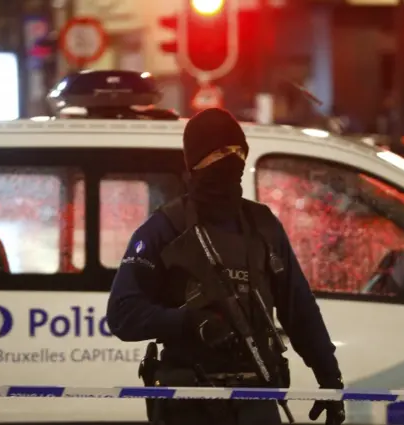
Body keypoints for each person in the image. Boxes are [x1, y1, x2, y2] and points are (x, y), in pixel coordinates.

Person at [106, 108, 346, 425]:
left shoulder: (263, 226)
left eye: (238, 150)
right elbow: (122, 313)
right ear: (196, 161)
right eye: (220, 151)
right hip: (189, 401)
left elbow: (299, 309)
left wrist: (330, 381)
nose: (232, 158)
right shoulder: (165, 228)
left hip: (256, 398)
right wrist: (187, 321)